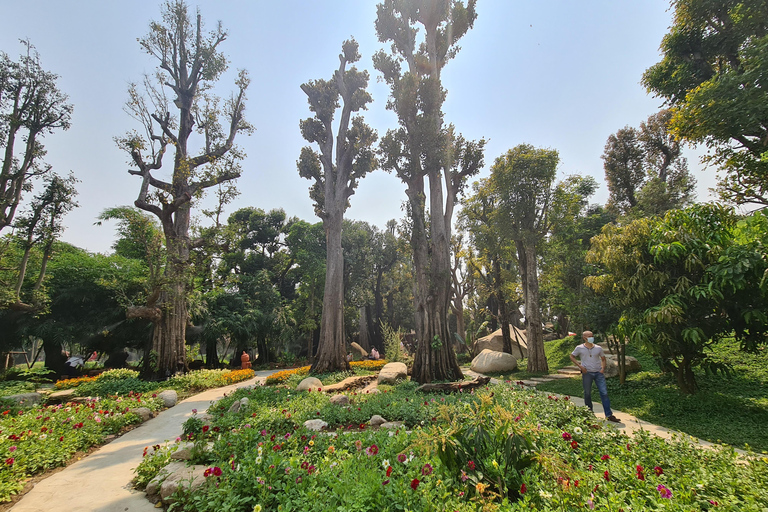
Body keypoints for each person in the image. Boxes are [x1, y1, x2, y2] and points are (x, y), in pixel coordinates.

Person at [569, 331, 620, 423]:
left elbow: (603, 359)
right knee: (587, 393)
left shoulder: (598, 348)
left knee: (604, 393)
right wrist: (580, 366)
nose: (591, 337)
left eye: (592, 336)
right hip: (587, 373)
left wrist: (602, 368)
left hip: (598, 373)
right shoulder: (579, 348)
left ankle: (609, 415)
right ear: (584, 338)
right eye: (589, 336)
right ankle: (589, 412)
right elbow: (572, 356)